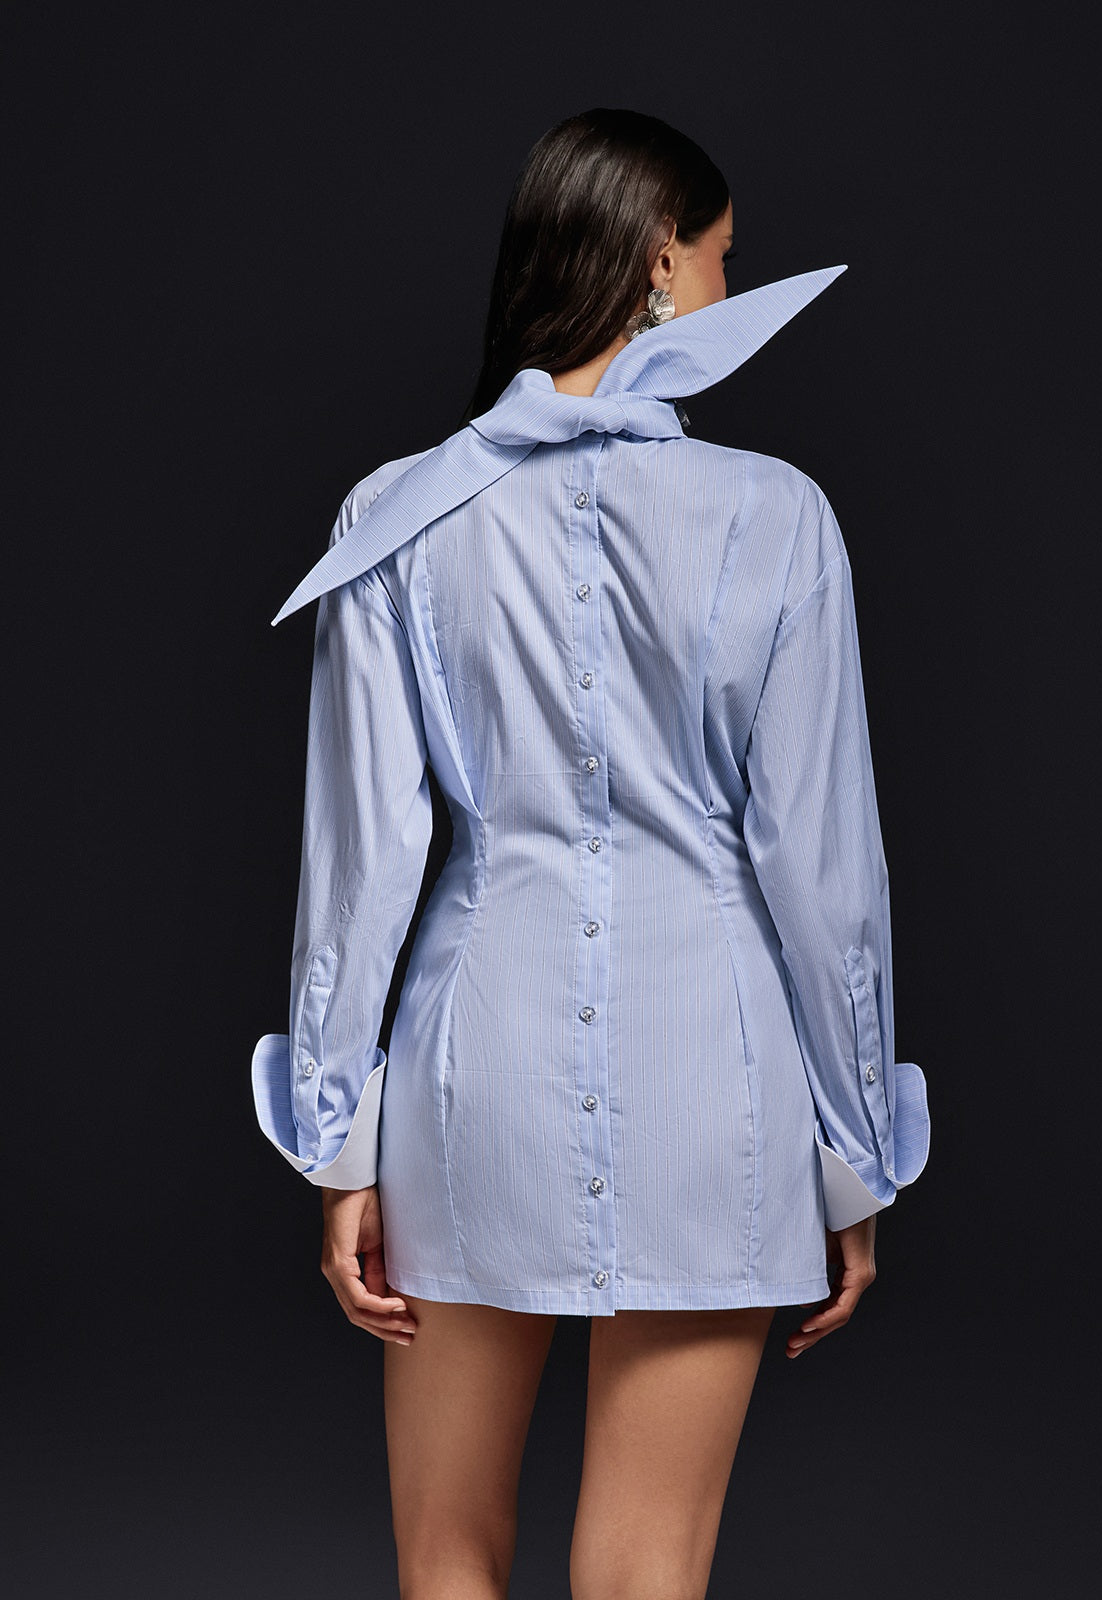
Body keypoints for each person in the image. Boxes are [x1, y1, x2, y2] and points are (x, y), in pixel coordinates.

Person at [251, 107, 931, 1600]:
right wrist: (855, 1162)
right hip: (718, 1088)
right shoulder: (778, 517)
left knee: (445, 1557)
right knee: (645, 1572)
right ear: (658, 263)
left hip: (469, 1080)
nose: (731, 282)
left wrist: (337, 1143)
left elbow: (361, 866)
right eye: (725, 254)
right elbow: (823, 877)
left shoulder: (398, 515)